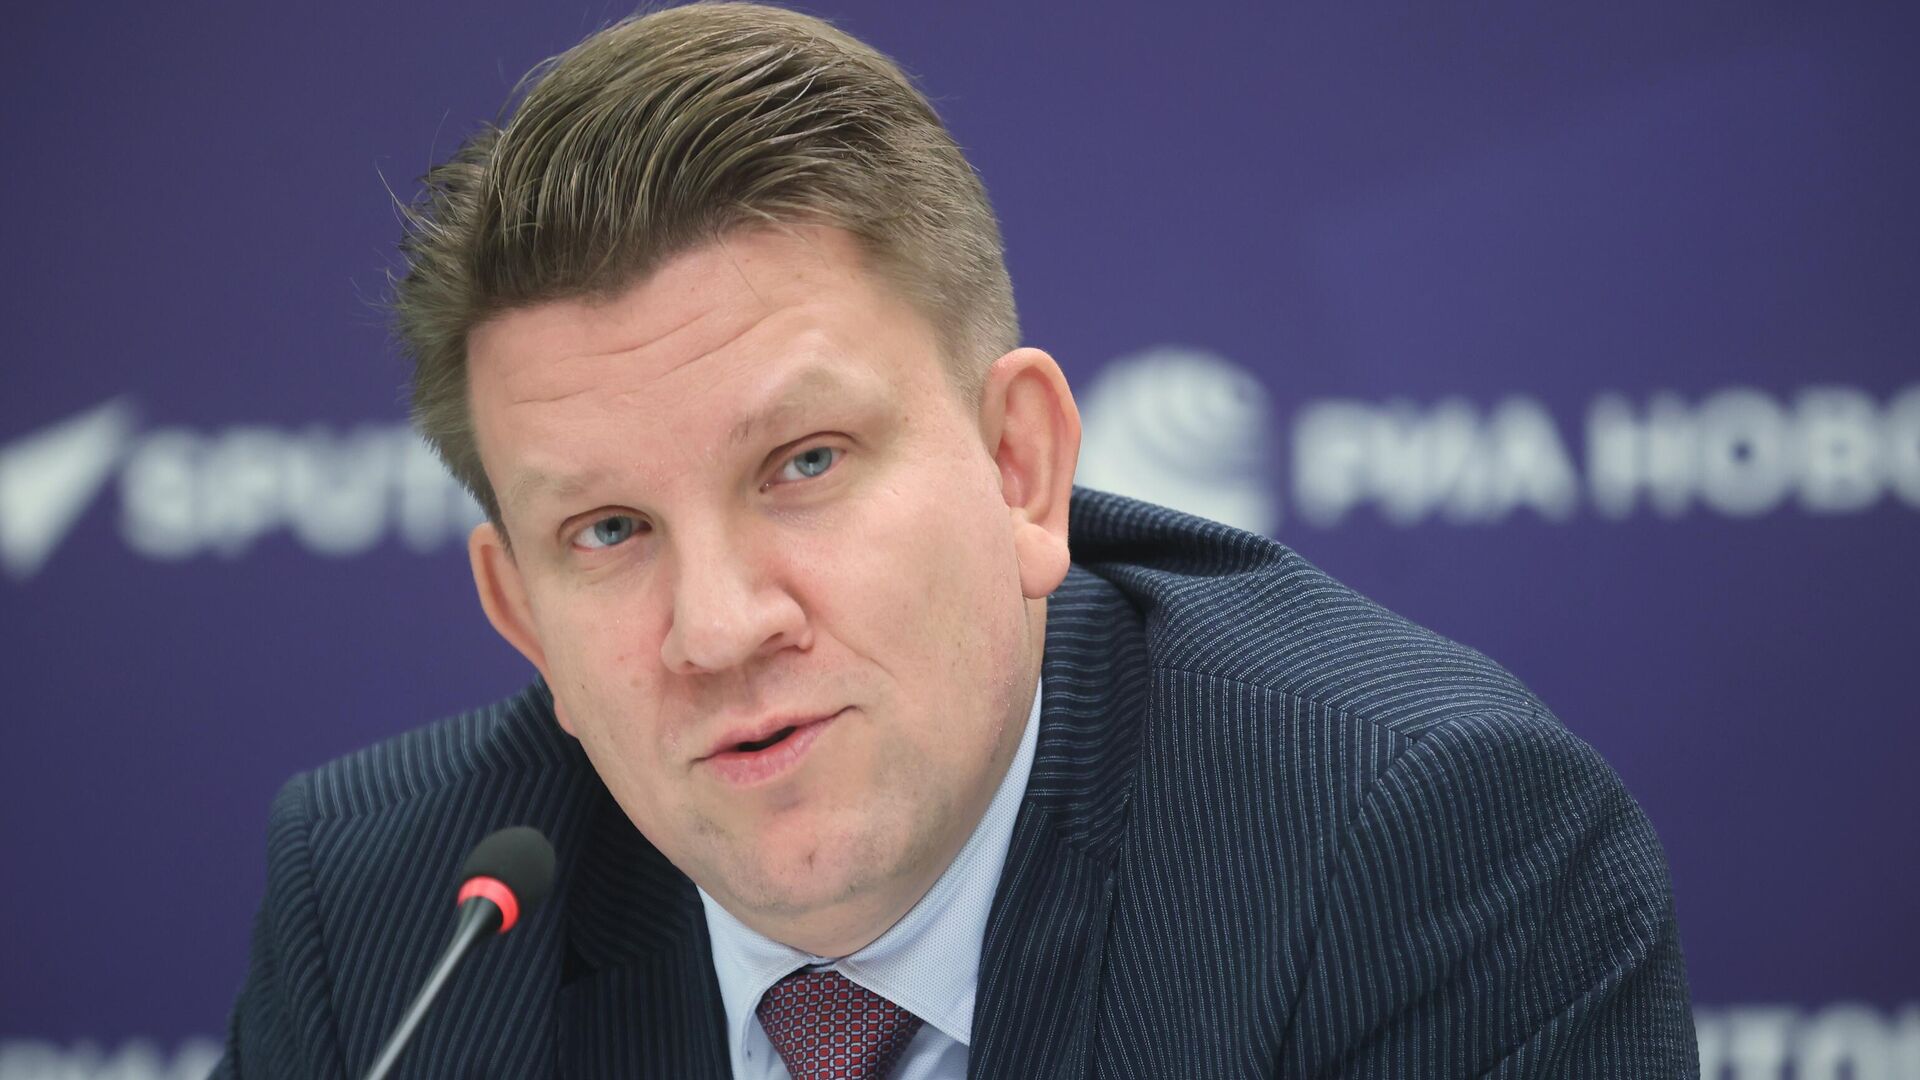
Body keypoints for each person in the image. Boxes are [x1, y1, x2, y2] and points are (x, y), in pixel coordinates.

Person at [215, 3, 1697, 1077]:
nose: (719, 628)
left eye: (803, 464)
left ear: (1020, 469)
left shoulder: (1418, 848)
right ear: (523, 615)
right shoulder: (394, 922)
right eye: (609, 530)